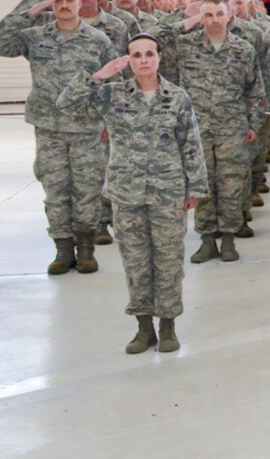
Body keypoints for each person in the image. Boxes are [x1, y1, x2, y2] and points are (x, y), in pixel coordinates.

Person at [56, 34, 207, 354]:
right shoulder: (112, 95)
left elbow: (191, 143)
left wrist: (195, 186)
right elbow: (66, 106)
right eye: (136, 55)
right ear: (127, 60)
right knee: (136, 262)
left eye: (149, 53)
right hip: (127, 192)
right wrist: (97, 76)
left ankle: (168, 326)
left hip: (167, 190)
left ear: (159, 57)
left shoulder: (177, 97)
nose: (143, 60)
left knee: (168, 260)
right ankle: (143, 327)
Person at [0, 0, 117, 275]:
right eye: (57, 0)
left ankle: (85, 250)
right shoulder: (35, 38)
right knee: (55, 190)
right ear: (51, 4)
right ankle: (62, 249)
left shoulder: (97, 40)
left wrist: (110, 121)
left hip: (87, 129)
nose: (64, 5)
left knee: (87, 191)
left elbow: (113, 84)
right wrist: (31, 12)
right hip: (49, 128)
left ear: (79, 2)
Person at [151, 0, 266, 263]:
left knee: (231, 184)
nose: (214, 20)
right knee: (200, 184)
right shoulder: (185, 46)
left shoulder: (242, 49)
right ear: (200, 17)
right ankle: (206, 240)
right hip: (195, 128)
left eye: (219, 14)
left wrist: (252, 124)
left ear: (229, 16)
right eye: (208, 15)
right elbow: (154, 37)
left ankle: (228, 239)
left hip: (232, 127)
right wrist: (186, 22)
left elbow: (254, 91)